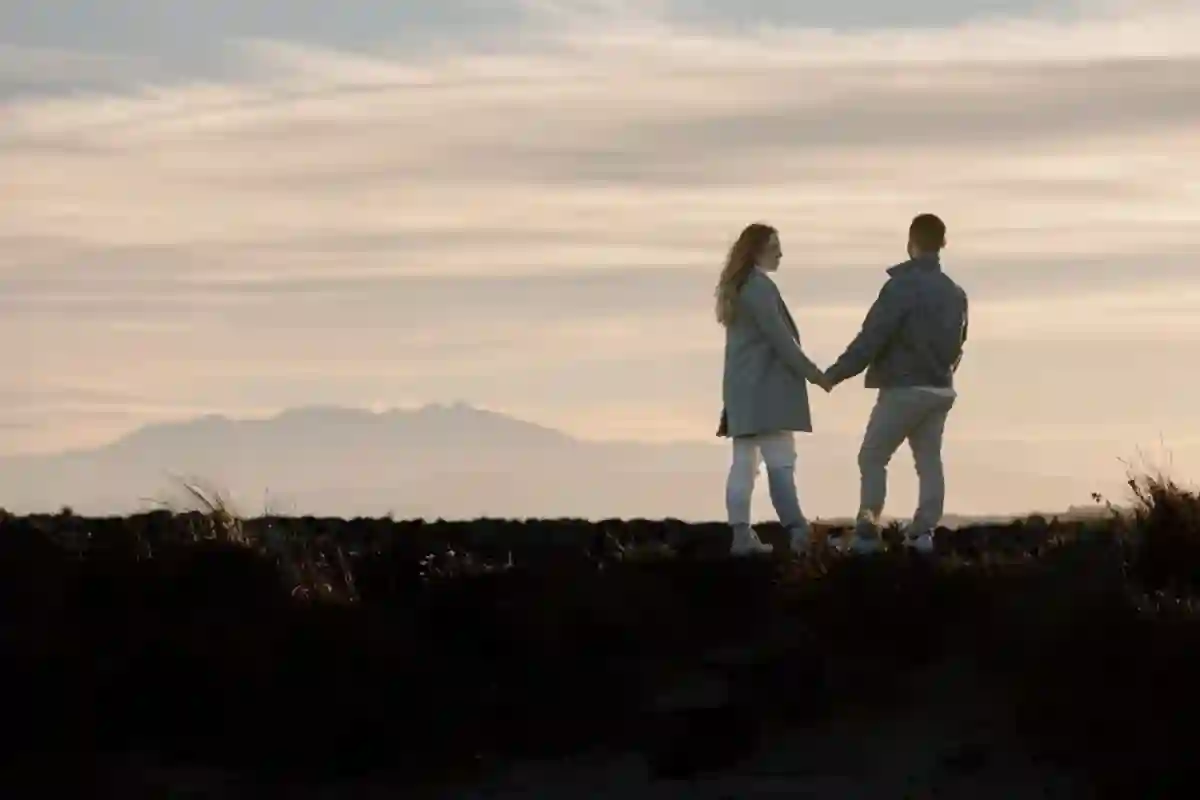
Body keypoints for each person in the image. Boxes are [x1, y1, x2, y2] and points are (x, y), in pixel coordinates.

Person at [823, 213, 969, 555]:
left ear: (910, 242)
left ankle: (867, 534)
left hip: (904, 387)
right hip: (940, 388)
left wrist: (835, 374)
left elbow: (872, 337)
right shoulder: (956, 293)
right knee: (929, 461)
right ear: (943, 243)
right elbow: (960, 344)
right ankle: (922, 534)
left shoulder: (901, 287)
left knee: (872, 456)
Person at [715, 222, 831, 557]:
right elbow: (781, 341)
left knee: (743, 466)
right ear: (756, 251)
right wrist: (815, 375)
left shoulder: (736, 289)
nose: (780, 254)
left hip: (742, 393)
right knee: (781, 464)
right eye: (774, 248)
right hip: (768, 393)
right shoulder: (759, 288)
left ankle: (741, 536)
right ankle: (798, 533)